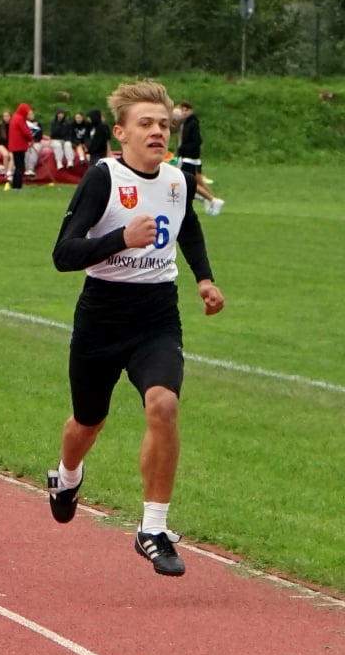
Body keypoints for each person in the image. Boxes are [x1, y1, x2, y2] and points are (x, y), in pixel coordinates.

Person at [46, 81, 223, 578]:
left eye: (164, 124)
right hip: (102, 316)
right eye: (145, 123)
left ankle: (153, 527)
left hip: (156, 316)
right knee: (87, 423)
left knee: (163, 405)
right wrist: (121, 238)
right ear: (121, 133)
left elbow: (187, 225)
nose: (157, 131)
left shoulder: (177, 180)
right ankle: (67, 476)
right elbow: (63, 254)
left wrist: (204, 279)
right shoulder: (103, 178)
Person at [174, 100, 224, 215]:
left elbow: (196, 141)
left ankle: (211, 199)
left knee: (188, 183)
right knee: (199, 181)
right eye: (182, 110)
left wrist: (183, 150)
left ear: (191, 110)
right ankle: (211, 200)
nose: (184, 112)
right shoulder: (185, 123)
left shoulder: (192, 123)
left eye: (186, 110)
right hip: (192, 159)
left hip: (189, 159)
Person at [7, 100, 35, 191]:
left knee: (17, 166)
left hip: (14, 146)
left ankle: (15, 185)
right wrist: (31, 139)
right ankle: (18, 185)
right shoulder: (20, 119)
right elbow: (25, 131)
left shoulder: (15, 118)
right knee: (20, 166)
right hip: (19, 146)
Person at [49, 106, 75, 175]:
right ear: (57, 115)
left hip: (65, 139)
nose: (61, 115)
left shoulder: (67, 123)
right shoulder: (53, 123)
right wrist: (59, 127)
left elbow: (69, 133)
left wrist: (66, 139)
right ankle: (59, 162)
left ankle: (70, 161)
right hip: (55, 140)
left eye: (62, 114)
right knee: (58, 146)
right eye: (59, 114)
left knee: (68, 144)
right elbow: (53, 133)